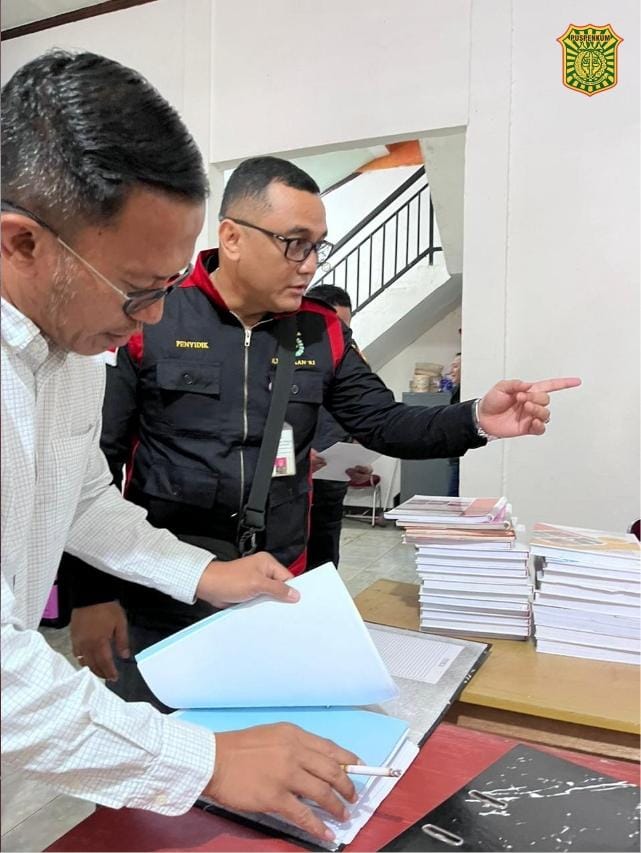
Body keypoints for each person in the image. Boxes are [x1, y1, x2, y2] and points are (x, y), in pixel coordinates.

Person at [1, 51, 361, 843]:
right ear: (22, 243)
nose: (158, 317)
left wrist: (201, 572)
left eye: (169, 285)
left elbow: (81, 496)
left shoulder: (70, 350)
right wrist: (202, 759)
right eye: (139, 289)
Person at [64, 154, 581, 705]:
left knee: (262, 734)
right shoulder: (154, 317)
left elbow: (384, 422)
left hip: (277, 583)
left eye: (318, 246)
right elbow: (95, 464)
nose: (309, 264)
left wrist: (476, 417)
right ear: (232, 237)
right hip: (163, 586)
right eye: (294, 243)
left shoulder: (320, 330)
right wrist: (88, 595)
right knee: (159, 738)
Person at [305, 284, 373, 569]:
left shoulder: (352, 358)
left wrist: (359, 454)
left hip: (332, 481)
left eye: (346, 328)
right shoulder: (281, 352)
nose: (340, 335)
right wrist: (294, 456)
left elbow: (361, 412)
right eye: (334, 327)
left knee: (325, 560)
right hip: (289, 485)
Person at [447, 353, 462, 496]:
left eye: (455, 366)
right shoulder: (456, 391)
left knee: (453, 498)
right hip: (455, 453)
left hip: (461, 456)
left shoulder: (464, 393)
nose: (451, 371)